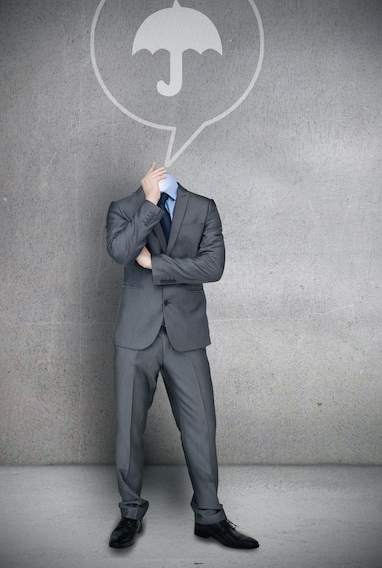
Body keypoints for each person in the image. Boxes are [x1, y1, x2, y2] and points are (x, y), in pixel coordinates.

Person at [106, 163, 259, 550]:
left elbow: (213, 266)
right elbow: (121, 251)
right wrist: (150, 202)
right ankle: (129, 512)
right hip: (134, 334)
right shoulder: (125, 208)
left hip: (186, 334)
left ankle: (210, 516)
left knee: (201, 426)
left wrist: (154, 264)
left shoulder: (204, 207)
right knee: (128, 429)